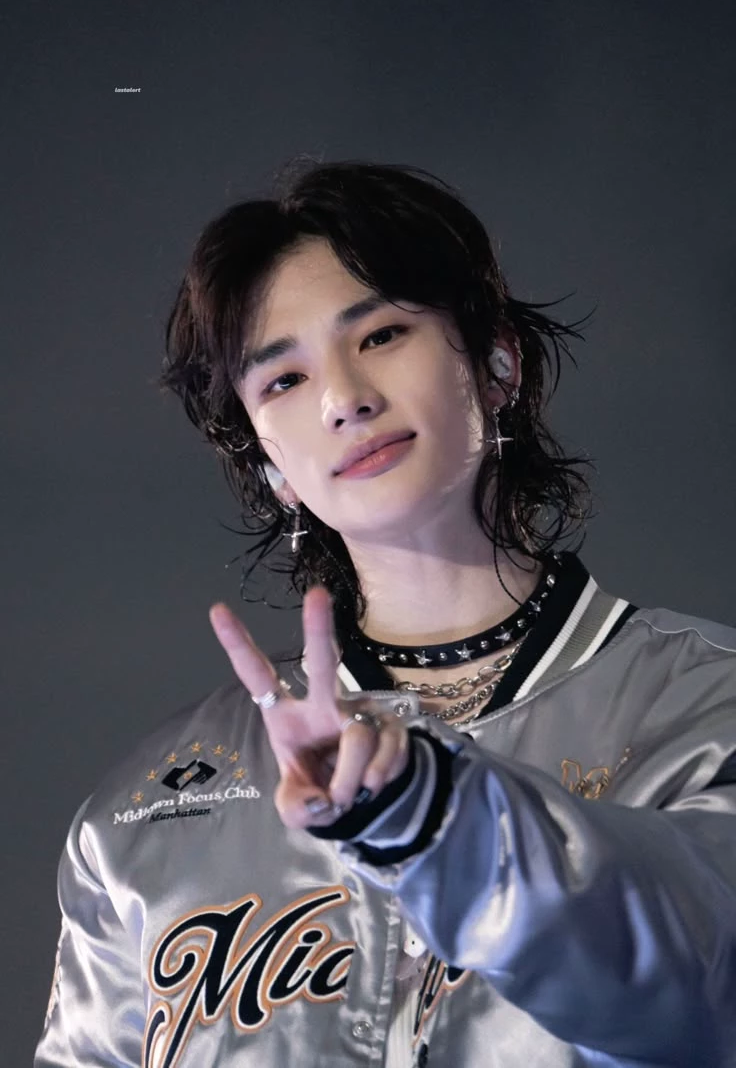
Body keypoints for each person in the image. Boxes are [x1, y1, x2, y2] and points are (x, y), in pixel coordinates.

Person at [35, 159, 736, 1068]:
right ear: (267, 464)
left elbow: (694, 990)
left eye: (383, 334)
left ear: (497, 362)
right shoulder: (141, 817)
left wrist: (427, 809)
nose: (344, 398)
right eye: (283, 380)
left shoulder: (708, 712)